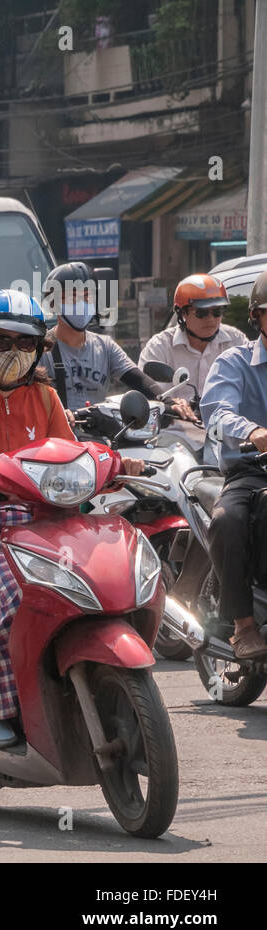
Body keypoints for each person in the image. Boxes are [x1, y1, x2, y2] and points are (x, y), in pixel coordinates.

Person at [0, 289, 144, 748]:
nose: (14, 354)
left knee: (99, 585)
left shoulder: (45, 398)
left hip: (45, 524)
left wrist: (117, 466)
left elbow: (72, 456)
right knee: (13, 599)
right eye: (1, 343)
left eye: (26, 344)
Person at [201, 269, 267, 660]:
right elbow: (217, 413)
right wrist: (253, 430)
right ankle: (243, 625)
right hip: (251, 469)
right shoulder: (235, 362)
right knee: (227, 520)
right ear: (256, 317)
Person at [37, 262, 198, 421]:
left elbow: (138, 380)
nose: (82, 304)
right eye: (73, 297)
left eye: (87, 297)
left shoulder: (105, 346)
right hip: (58, 439)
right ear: (53, 303)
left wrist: (167, 402)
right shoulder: (41, 350)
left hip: (100, 437)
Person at [139, 273, 247, 400]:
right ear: (183, 313)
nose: (211, 319)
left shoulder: (236, 341)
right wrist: (172, 405)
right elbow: (145, 394)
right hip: (175, 419)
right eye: (202, 312)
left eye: (217, 312)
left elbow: (254, 386)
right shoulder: (159, 347)